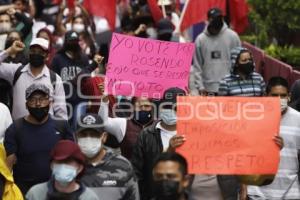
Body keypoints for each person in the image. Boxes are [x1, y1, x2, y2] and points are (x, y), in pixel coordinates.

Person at [4, 83, 73, 195]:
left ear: (50, 103)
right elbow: (8, 165)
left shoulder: (62, 126)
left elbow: (71, 159)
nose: (38, 104)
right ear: (26, 105)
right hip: (25, 192)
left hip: (57, 191)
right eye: (33, 100)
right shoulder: (15, 129)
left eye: (42, 99)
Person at [246, 77, 300, 199]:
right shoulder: (253, 119)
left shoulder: (298, 119)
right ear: (266, 96)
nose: (279, 99)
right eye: (274, 95)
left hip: (290, 192)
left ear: (289, 96)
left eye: (283, 95)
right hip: (258, 192)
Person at [131, 87, 187, 200]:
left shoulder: (193, 133)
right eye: (167, 106)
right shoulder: (146, 134)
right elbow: (137, 172)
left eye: (176, 107)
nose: (171, 110)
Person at [76, 113, 140, 200]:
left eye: (94, 134)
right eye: (83, 135)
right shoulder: (71, 167)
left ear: (104, 137)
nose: (88, 138)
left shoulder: (123, 165)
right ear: (76, 137)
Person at [0, 38, 68, 120]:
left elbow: (61, 112)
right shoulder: (16, 71)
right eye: (33, 51)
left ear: (47, 56)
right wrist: (9, 51)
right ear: (29, 54)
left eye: (40, 52)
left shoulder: (55, 79)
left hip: (46, 130)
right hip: (19, 130)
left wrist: (60, 131)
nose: (36, 54)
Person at [26, 140, 99, 200]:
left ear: (79, 168)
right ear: (52, 166)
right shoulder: (35, 194)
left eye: (68, 162)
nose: (63, 166)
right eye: (59, 161)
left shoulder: (89, 197)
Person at [191, 7, 241, 95]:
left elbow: (239, 61)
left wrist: (238, 84)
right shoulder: (200, 39)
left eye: (217, 18)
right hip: (208, 89)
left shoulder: (233, 37)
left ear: (222, 19)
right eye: (212, 19)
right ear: (208, 20)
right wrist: (200, 86)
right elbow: (197, 65)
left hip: (230, 87)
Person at [99, 93, 154, 159]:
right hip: (129, 168)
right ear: (132, 107)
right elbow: (103, 123)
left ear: (152, 107)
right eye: (138, 106)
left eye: (146, 106)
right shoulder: (124, 123)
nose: (143, 108)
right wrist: (104, 102)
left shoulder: (158, 125)